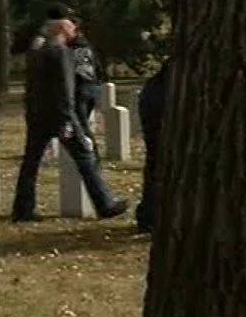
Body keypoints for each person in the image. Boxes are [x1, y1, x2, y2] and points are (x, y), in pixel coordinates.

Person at [11, 15, 126, 222]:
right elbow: (65, 89)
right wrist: (67, 120)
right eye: (71, 29)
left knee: (31, 163)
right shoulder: (62, 53)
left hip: (38, 114)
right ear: (62, 31)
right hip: (60, 115)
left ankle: (22, 209)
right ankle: (105, 204)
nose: (74, 33)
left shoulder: (35, 52)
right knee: (85, 156)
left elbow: (32, 88)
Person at [134, 58, 170, 234]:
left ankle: (148, 216)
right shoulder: (168, 87)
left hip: (154, 130)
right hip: (161, 130)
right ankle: (150, 215)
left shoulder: (154, 85)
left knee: (153, 169)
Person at [71, 27, 102, 132]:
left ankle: (88, 142)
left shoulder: (69, 49)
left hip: (80, 88)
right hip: (93, 86)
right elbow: (98, 68)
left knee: (81, 125)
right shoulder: (89, 48)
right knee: (84, 122)